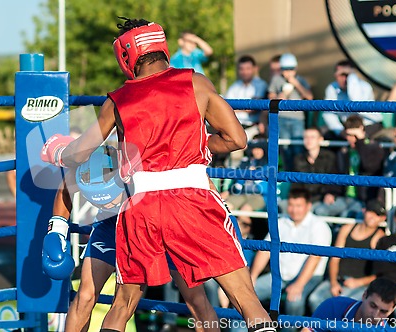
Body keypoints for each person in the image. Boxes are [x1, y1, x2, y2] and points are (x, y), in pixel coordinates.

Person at [41, 18, 275, 332]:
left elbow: (80, 154)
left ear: (126, 56)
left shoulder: (117, 100)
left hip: (140, 209)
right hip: (193, 201)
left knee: (122, 305)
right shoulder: (196, 82)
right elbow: (237, 139)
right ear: (161, 45)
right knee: (246, 299)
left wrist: (57, 150)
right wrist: (195, 144)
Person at [41, 146, 219, 332]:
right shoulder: (86, 167)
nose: (102, 202)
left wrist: (220, 212)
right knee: (85, 295)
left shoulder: (146, 164)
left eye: (108, 198)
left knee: (196, 300)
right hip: (110, 224)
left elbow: (197, 175)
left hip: (158, 221)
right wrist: (57, 228)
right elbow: (66, 187)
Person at [249, 188, 332, 319]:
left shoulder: (319, 226)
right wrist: (252, 277)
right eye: (291, 205)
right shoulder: (282, 222)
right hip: (279, 276)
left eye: (298, 206)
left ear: (308, 206)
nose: (294, 210)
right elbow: (265, 251)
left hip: (309, 277)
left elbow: (315, 258)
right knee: (247, 294)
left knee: (294, 301)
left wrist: (299, 284)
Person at [308, 200, 386, 313]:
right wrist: (334, 282)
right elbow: (334, 259)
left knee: (344, 307)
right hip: (337, 280)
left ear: (383, 218)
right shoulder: (347, 229)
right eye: (371, 211)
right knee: (315, 299)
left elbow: (380, 273)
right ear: (364, 211)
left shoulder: (380, 238)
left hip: (360, 285)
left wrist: (358, 282)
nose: (373, 217)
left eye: (378, 214)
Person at [268, 53, 313, 171]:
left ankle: (299, 176)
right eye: (285, 69)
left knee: (298, 148)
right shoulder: (276, 80)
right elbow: (270, 98)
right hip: (281, 119)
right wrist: (281, 95)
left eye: (291, 69)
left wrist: (296, 83)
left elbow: (309, 97)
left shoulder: (300, 80)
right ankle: (288, 176)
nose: (288, 72)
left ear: (295, 69)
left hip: (297, 119)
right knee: (285, 148)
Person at [302, 278, 396, 331]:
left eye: (383, 311)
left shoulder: (386, 330)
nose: (375, 315)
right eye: (373, 306)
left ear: (392, 311)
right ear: (364, 296)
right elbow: (307, 330)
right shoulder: (333, 306)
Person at [335, 115, 385, 218]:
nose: (352, 139)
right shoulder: (344, 151)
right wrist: (331, 193)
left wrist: (361, 141)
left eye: (355, 136)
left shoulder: (374, 147)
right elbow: (336, 173)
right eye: (349, 135)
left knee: (346, 215)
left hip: (365, 199)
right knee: (319, 210)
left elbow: (369, 166)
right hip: (344, 197)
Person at [288, 127, 343, 216]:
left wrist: (331, 194)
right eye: (306, 137)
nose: (309, 140)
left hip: (324, 199)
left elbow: (335, 179)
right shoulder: (298, 158)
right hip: (304, 200)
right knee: (281, 207)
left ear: (320, 139)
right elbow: (296, 184)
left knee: (320, 211)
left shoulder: (330, 157)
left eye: (312, 137)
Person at [322, 60, 381, 140]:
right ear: (335, 76)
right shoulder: (332, 88)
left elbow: (356, 103)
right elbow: (328, 114)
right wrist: (340, 131)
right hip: (346, 127)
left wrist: (352, 77)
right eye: (341, 75)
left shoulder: (364, 86)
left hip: (369, 124)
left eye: (347, 75)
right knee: (323, 135)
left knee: (364, 142)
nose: (345, 79)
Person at [224, 55, 268, 139]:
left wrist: (235, 109)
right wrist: (245, 109)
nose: (244, 72)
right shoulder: (234, 87)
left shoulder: (261, 85)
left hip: (254, 127)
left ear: (255, 69)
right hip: (234, 127)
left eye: (248, 68)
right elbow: (225, 107)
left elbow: (254, 108)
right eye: (242, 69)